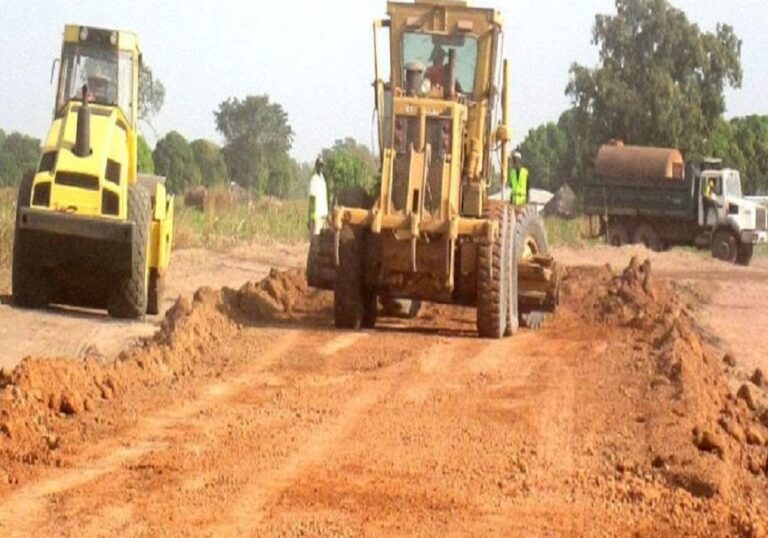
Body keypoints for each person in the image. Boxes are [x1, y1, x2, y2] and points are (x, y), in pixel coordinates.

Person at [308, 157, 329, 237]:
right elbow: (312, 198)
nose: (321, 167)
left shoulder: (323, 180)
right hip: (316, 216)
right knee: (315, 240)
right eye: (319, 165)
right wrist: (311, 217)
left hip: (324, 215)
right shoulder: (314, 179)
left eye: (322, 166)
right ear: (316, 166)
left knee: (323, 240)